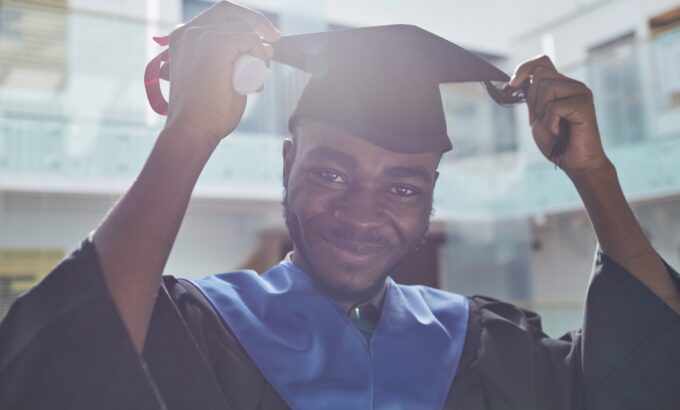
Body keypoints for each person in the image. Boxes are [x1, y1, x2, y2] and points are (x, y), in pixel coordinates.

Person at [1, 2, 679, 409]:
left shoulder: (489, 346)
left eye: (403, 187)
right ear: (288, 162)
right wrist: (190, 131)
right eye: (330, 172)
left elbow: (649, 377)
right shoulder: (198, 329)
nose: (361, 213)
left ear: (432, 197)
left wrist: (594, 174)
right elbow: (54, 369)